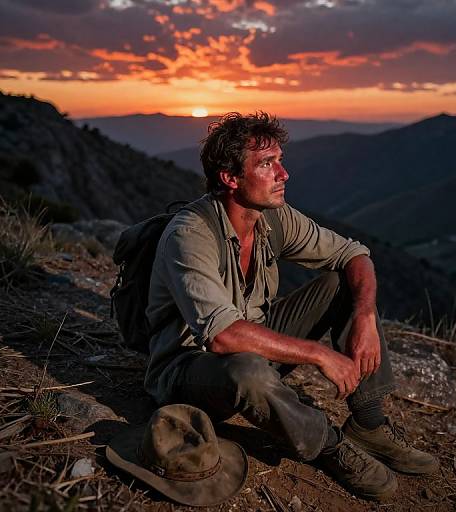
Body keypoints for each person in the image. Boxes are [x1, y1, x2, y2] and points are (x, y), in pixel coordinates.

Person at [144, 112, 438, 501]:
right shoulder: (191, 234)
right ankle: (330, 446)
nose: (284, 174)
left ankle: (369, 424)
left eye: (280, 159)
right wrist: (319, 354)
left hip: (252, 346)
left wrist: (364, 315)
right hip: (190, 371)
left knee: (342, 285)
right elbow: (221, 336)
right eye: (267, 164)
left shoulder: (272, 218)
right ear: (230, 179)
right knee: (246, 367)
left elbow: (354, 255)